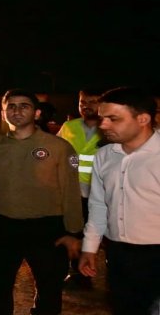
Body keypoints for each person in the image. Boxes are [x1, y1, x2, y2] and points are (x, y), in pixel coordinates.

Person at [0, 89, 83, 315]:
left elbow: (71, 192)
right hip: (2, 228)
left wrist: (74, 233)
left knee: (49, 290)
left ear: (37, 113)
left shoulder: (59, 147)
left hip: (45, 229)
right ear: (3, 113)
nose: (17, 111)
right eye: (11, 106)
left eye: (24, 106)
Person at [79, 87, 160, 315]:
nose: (103, 125)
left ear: (143, 119)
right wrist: (89, 248)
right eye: (102, 118)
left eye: (113, 119)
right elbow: (98, 205)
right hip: (118, 254)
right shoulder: (104, 156)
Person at [57, 88, 103, 287]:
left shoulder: (108, 127)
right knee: (73, 233)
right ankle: (77, 275)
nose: (86, 106)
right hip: (72, 191)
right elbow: (58, 151)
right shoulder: (69, 126)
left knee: (95, 235)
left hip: (99, 192)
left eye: (92, 101)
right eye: (83, 102)